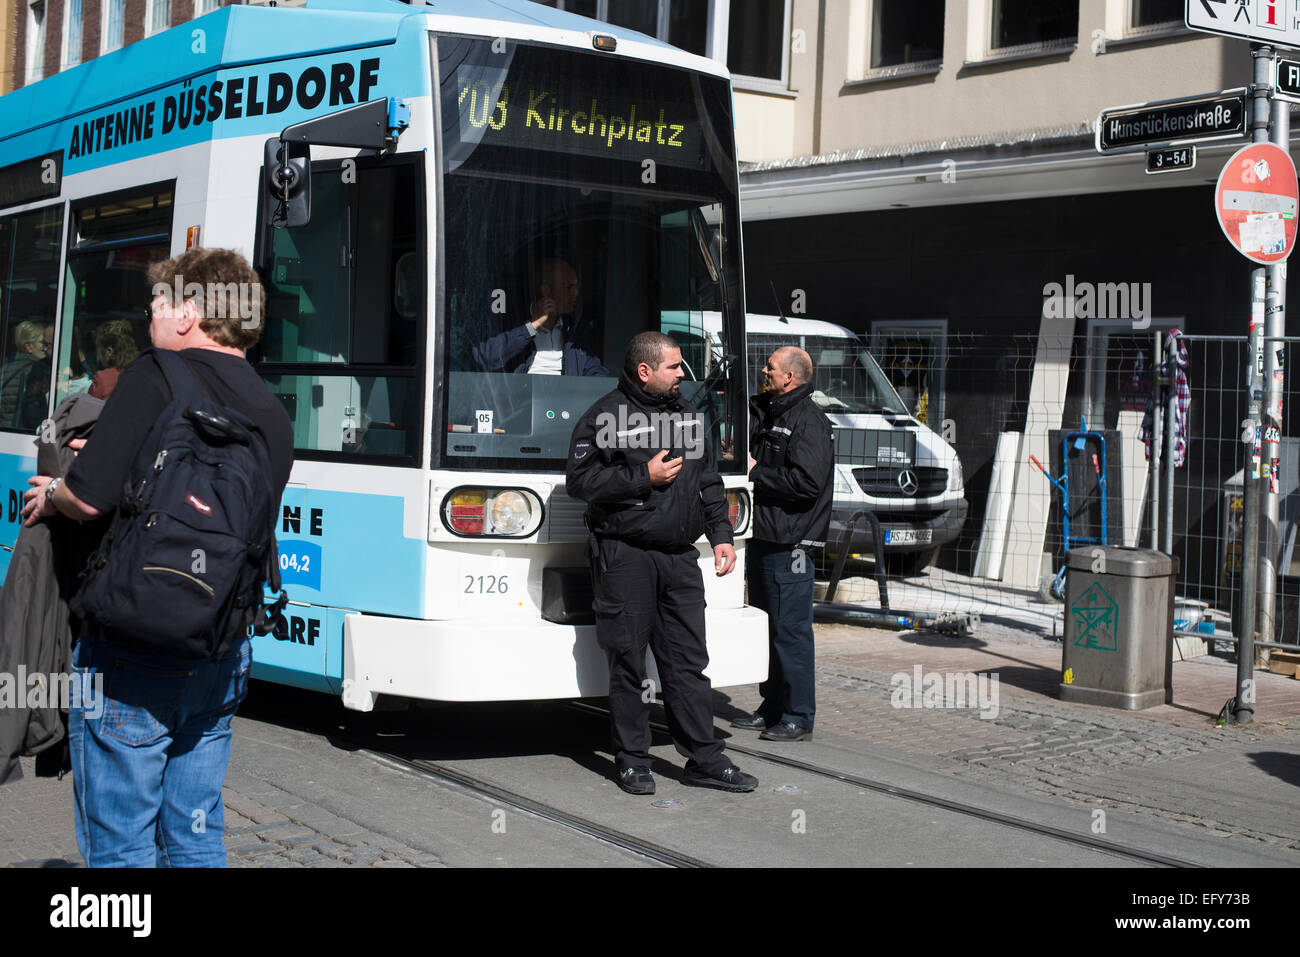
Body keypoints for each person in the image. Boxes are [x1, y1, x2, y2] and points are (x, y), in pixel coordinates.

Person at [21, 248, 293, 867]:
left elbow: (89, 500)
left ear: (189, 313)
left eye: (156, 305)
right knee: (195, 836)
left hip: (132, 650)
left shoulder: (157, 374)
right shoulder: (271, 409)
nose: (150, 319)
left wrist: (55, 493)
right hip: (221, 646)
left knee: (122, 845)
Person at [567, 331, 756, 794]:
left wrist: (722, 537)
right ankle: (633, 761)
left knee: (688, 663)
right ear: (645, 370)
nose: (682, 374)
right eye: (674, 366)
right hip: (625, 557)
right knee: (629, 662)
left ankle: (705, 759)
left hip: (679, 560)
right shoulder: (604, 416)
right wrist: (641, 477)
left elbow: (708, 482)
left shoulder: (687, 415)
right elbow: (579, 481)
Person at [732, 346, 833, 742]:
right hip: (765, 535)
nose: (763, 371)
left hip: (791, 541)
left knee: (790, 631)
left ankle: (798, 716)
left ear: (790, 376)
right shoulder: (773, 410)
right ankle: (771, 706)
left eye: (770, 367)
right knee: (766, 629)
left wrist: (758, 473)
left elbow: (806, 483)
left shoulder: (808, 420)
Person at [473, 258, 608, 376]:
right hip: (521, 402)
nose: (576, 293)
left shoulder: (575, 331)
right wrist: (532, 327)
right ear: (546, 291)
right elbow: (487, 357)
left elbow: (595, 372)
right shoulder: (513, 323)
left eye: (576, 287)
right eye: (569, 287)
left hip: (567, 403)